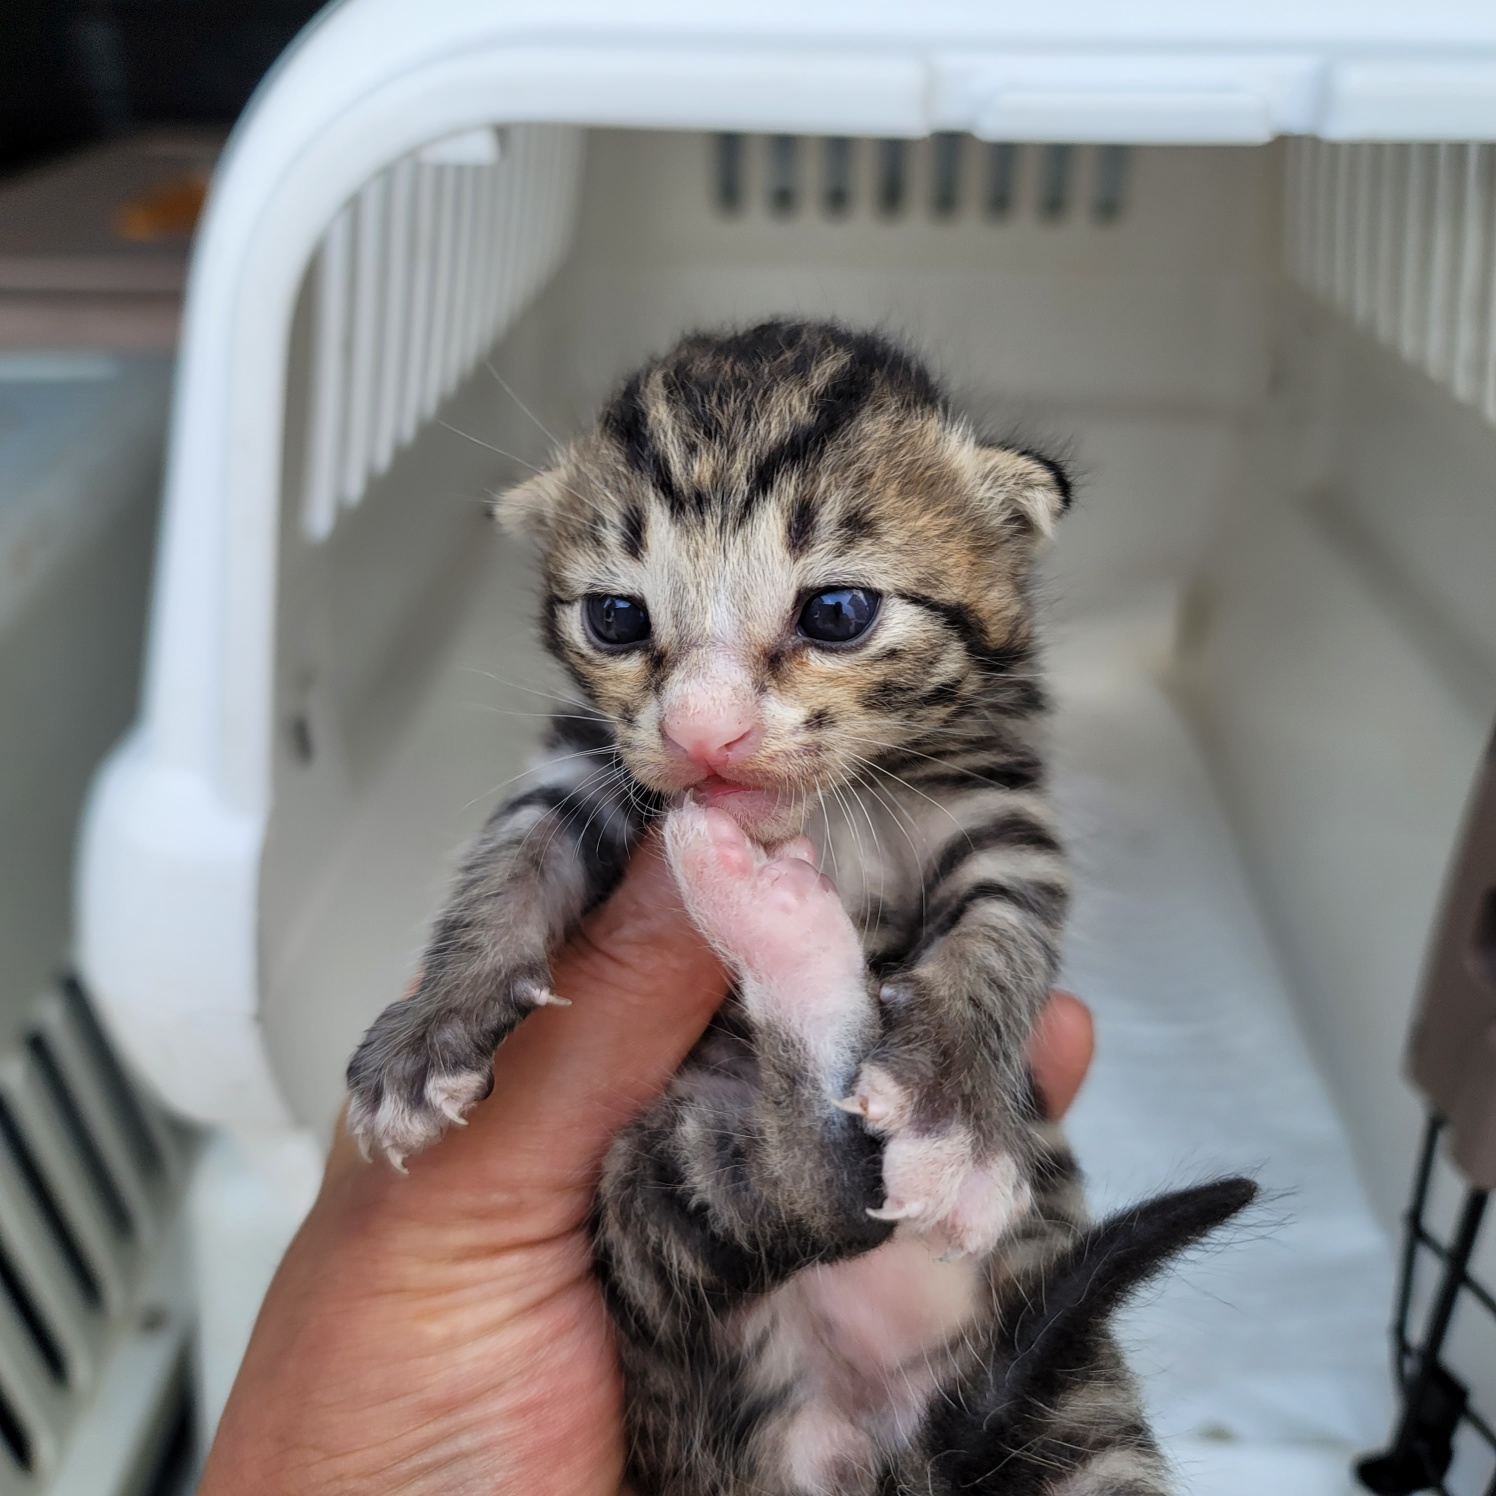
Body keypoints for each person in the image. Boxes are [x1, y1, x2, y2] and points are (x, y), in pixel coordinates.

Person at [198, 834, 1095, 1495]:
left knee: (652, 1210)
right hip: (851, 1315)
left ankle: (816, 1097)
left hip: (756, 1398)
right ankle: (817, 1103)